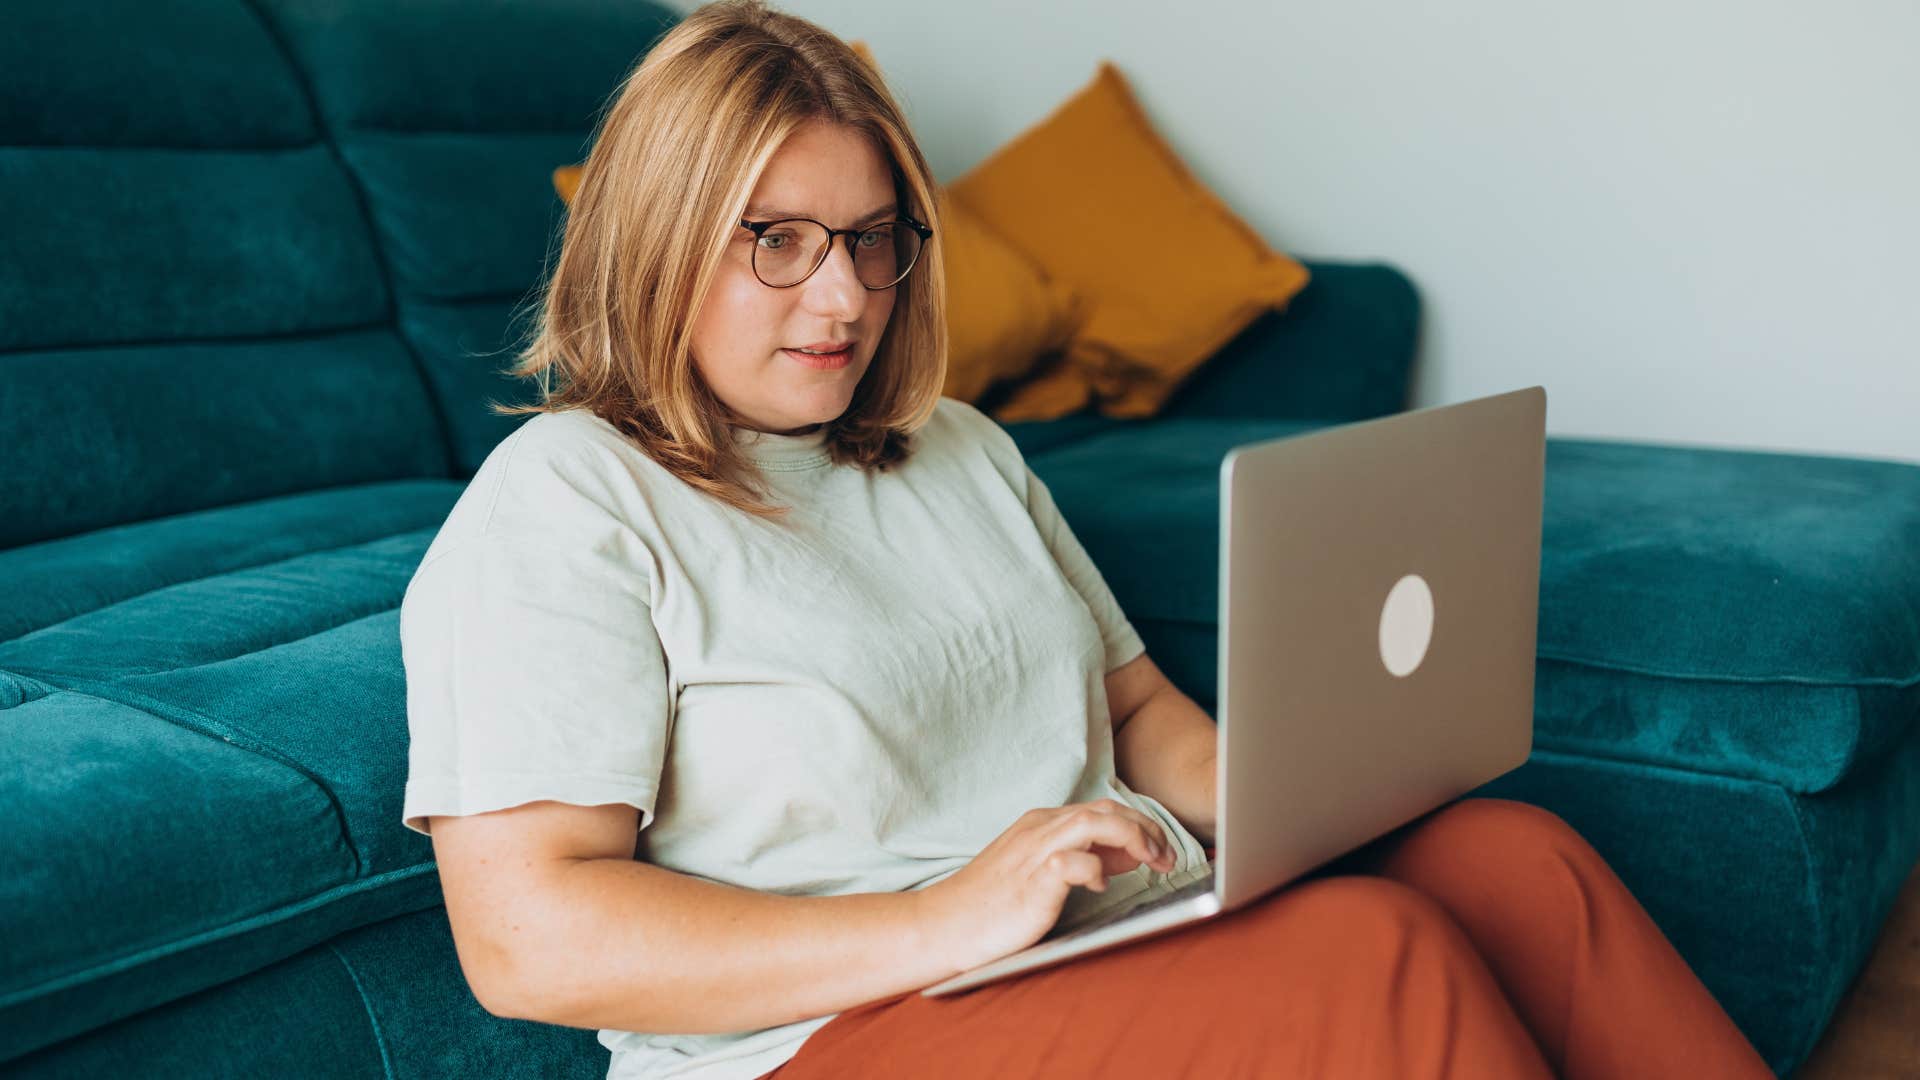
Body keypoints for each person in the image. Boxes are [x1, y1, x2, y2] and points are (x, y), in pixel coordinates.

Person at [395, 2, 1776, 1078]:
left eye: (874, 241)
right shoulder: (568, 499)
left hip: (1091, 940)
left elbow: (1136, 708)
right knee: (1371, 952)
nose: (846, 296)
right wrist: (946, 917)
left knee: (1520, 864)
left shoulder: (957, 446)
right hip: (827, 1036)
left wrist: (1306, 790)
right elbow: (527, 941)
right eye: (780, 241)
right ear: (656, 241)